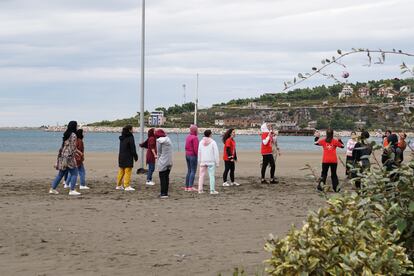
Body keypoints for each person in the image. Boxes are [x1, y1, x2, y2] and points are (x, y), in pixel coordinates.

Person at [49, 121, 82, 196]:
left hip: (63, 156)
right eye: (76, 126)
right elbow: (73, 146)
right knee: (74, 173)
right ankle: (72, 190)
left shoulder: (66, 134)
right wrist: (76, 154)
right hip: (69, 157)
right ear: (74, 126)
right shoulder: (73, 135)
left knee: (61, 174)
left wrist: (78, 152)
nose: (77, 127)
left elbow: (65, 146)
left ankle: (52, 189)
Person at [116, 125, 138, 191]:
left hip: (121, 156)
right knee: (128, 171)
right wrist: (135, 156)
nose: (133, 130)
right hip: (128, 156)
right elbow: (132, 147)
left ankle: (118, 185)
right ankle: (126, 186)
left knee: (121, 171)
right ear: (129, 130)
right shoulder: (130, 137)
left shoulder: (122, 137)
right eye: (132, 129)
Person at [197, 130, 220, 194]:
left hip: (203, 161)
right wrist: (217, 162)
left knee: (201, 176)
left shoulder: (201, 142)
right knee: (211, 176)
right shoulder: (213, 142)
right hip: (211, 162)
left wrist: (199, 161)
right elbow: (216, 153)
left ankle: (200, 190)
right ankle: (212, 190)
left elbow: (199, 152)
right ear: (210, 134)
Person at [155, 129, 173, 199]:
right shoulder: (168, 139)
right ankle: (166, 193)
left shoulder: (159, 141)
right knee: (166, 178)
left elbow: (159, 153)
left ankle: (163, 194)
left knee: (162, 178)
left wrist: (158, 161)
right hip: (169, 161)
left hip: (163, 162)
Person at [184, 125, 199, 191]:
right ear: (195, 130)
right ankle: (190, 186)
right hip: (193, 155)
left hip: (187, 155)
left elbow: (186, 146)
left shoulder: (188, 137)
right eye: (197, 130)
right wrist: (198, 155)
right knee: (193, 171)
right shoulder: (195, 138)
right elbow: (196, 149)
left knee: (189, 170)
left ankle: (187, 186)